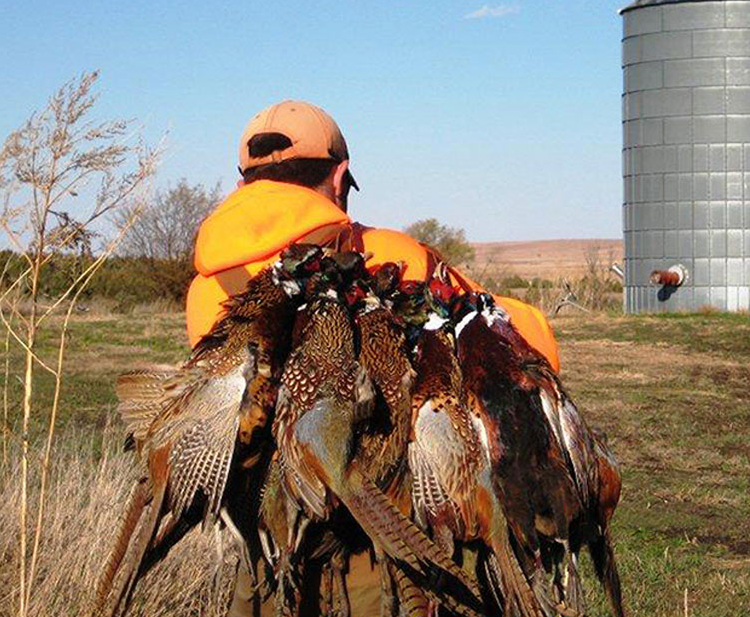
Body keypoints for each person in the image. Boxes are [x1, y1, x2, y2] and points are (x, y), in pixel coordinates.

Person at [183, 100, 560, 616]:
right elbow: (515, 343)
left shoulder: (206, 288)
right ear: (339, 177)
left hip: (271, 558)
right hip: (386, 558)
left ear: (243, 182)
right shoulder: (394, 257)